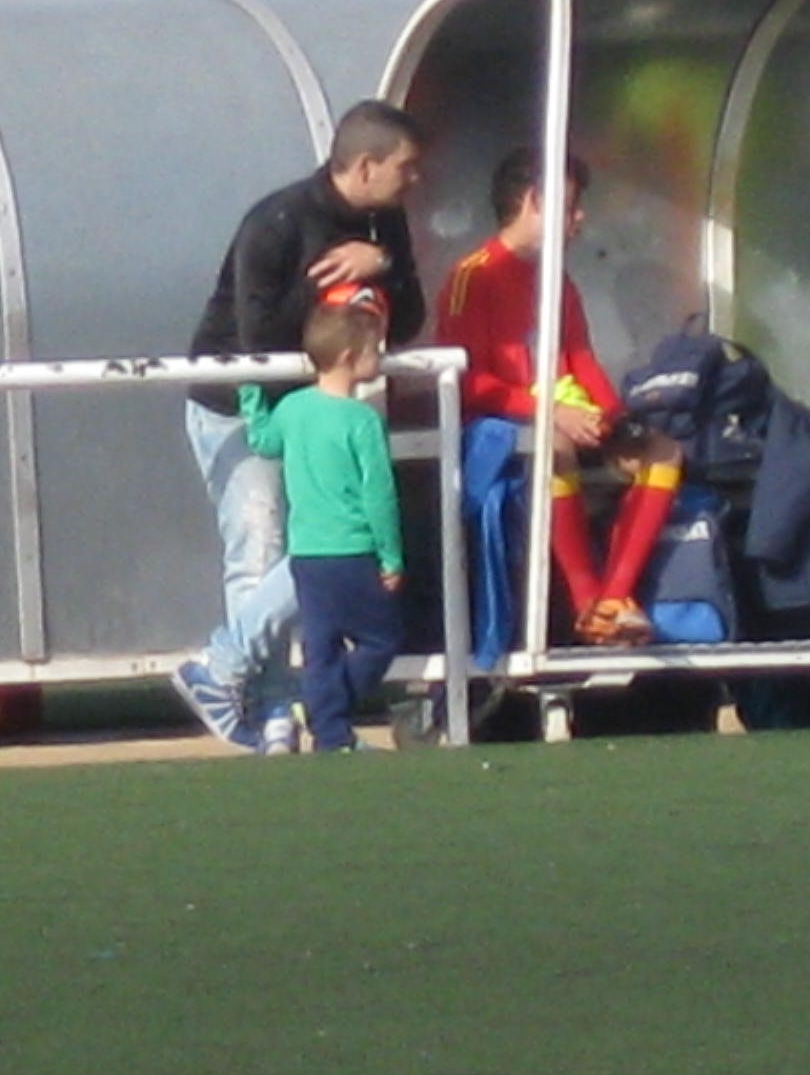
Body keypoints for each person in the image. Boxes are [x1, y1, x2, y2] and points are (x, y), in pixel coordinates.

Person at [175, 100, 426, 752]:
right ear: (365, 165)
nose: (415, 180)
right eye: (406, 167)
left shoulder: (387, 224)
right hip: (243, 405)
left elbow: (408, 320)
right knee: (260, 550)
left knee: (327, 546)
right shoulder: (277, 221)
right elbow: (259, 339)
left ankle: (230, 675)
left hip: (322, 408)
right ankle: (266, 705)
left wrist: (382, 266)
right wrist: (329, 285)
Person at [438, 148, 681, 647]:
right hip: (499, 424)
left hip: (561, 413)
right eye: (569, 207)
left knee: (662, 451)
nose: (580, 218)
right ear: (534, 201)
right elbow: (468, 382)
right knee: (556, 446)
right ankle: (587, 598)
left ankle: (615, 597)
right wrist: (550, 412)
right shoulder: (474, 275)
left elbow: (581, 359)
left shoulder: (558, 281)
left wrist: (613, 418)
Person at [238, 298, 403, 753]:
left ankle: (330, 729)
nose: (380, 357)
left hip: (307, 555)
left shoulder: (293, 409)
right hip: (353, 551)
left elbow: (262, 441)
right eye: (375, 349)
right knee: (381, 639)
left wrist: (250, 392)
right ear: (350, 357)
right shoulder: (362, 420)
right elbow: (379, 495)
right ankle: (325, 714)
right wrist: (391, 556)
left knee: (320, 646)